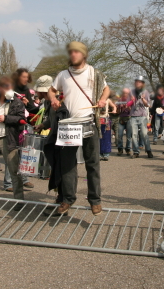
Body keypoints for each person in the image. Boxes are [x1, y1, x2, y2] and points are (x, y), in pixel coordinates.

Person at [48, 41, 110, 216]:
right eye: (71, 52)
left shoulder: (94, 73)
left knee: (93, 163)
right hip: (69, 124)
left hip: (89, 121)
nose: (73, 55)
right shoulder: (63, 75)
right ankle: (67, 199)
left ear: (83, 54)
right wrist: (53, 98)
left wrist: (103, 99)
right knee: (68, 164)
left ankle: (95, 200)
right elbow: (52, 90)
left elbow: (106, 89)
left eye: (76, 52)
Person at [129, 76, 154, 159]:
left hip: (142, 116)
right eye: (136, 82)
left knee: (144, 134)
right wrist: (131, 101)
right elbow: (128, 105)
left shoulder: (146, 92)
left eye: (139, 82)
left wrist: (143, 99)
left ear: (142, 84)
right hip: (133, 116)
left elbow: (148, 105)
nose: (138, 83)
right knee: (134, 135)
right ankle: (136, 152)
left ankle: (149, 150)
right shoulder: (131, 92)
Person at [116, 88, 132, 156]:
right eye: (124, 93)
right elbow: (118, 112)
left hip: (129, 118)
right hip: (121, 118)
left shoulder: (131, 100)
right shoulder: (120, 100)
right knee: (119, 135)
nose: (125, 94)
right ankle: (120, 149)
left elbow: (133, 111)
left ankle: (128, 149)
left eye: (127, 93)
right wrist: (118, 108)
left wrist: (128, 107)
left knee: (128, 136)